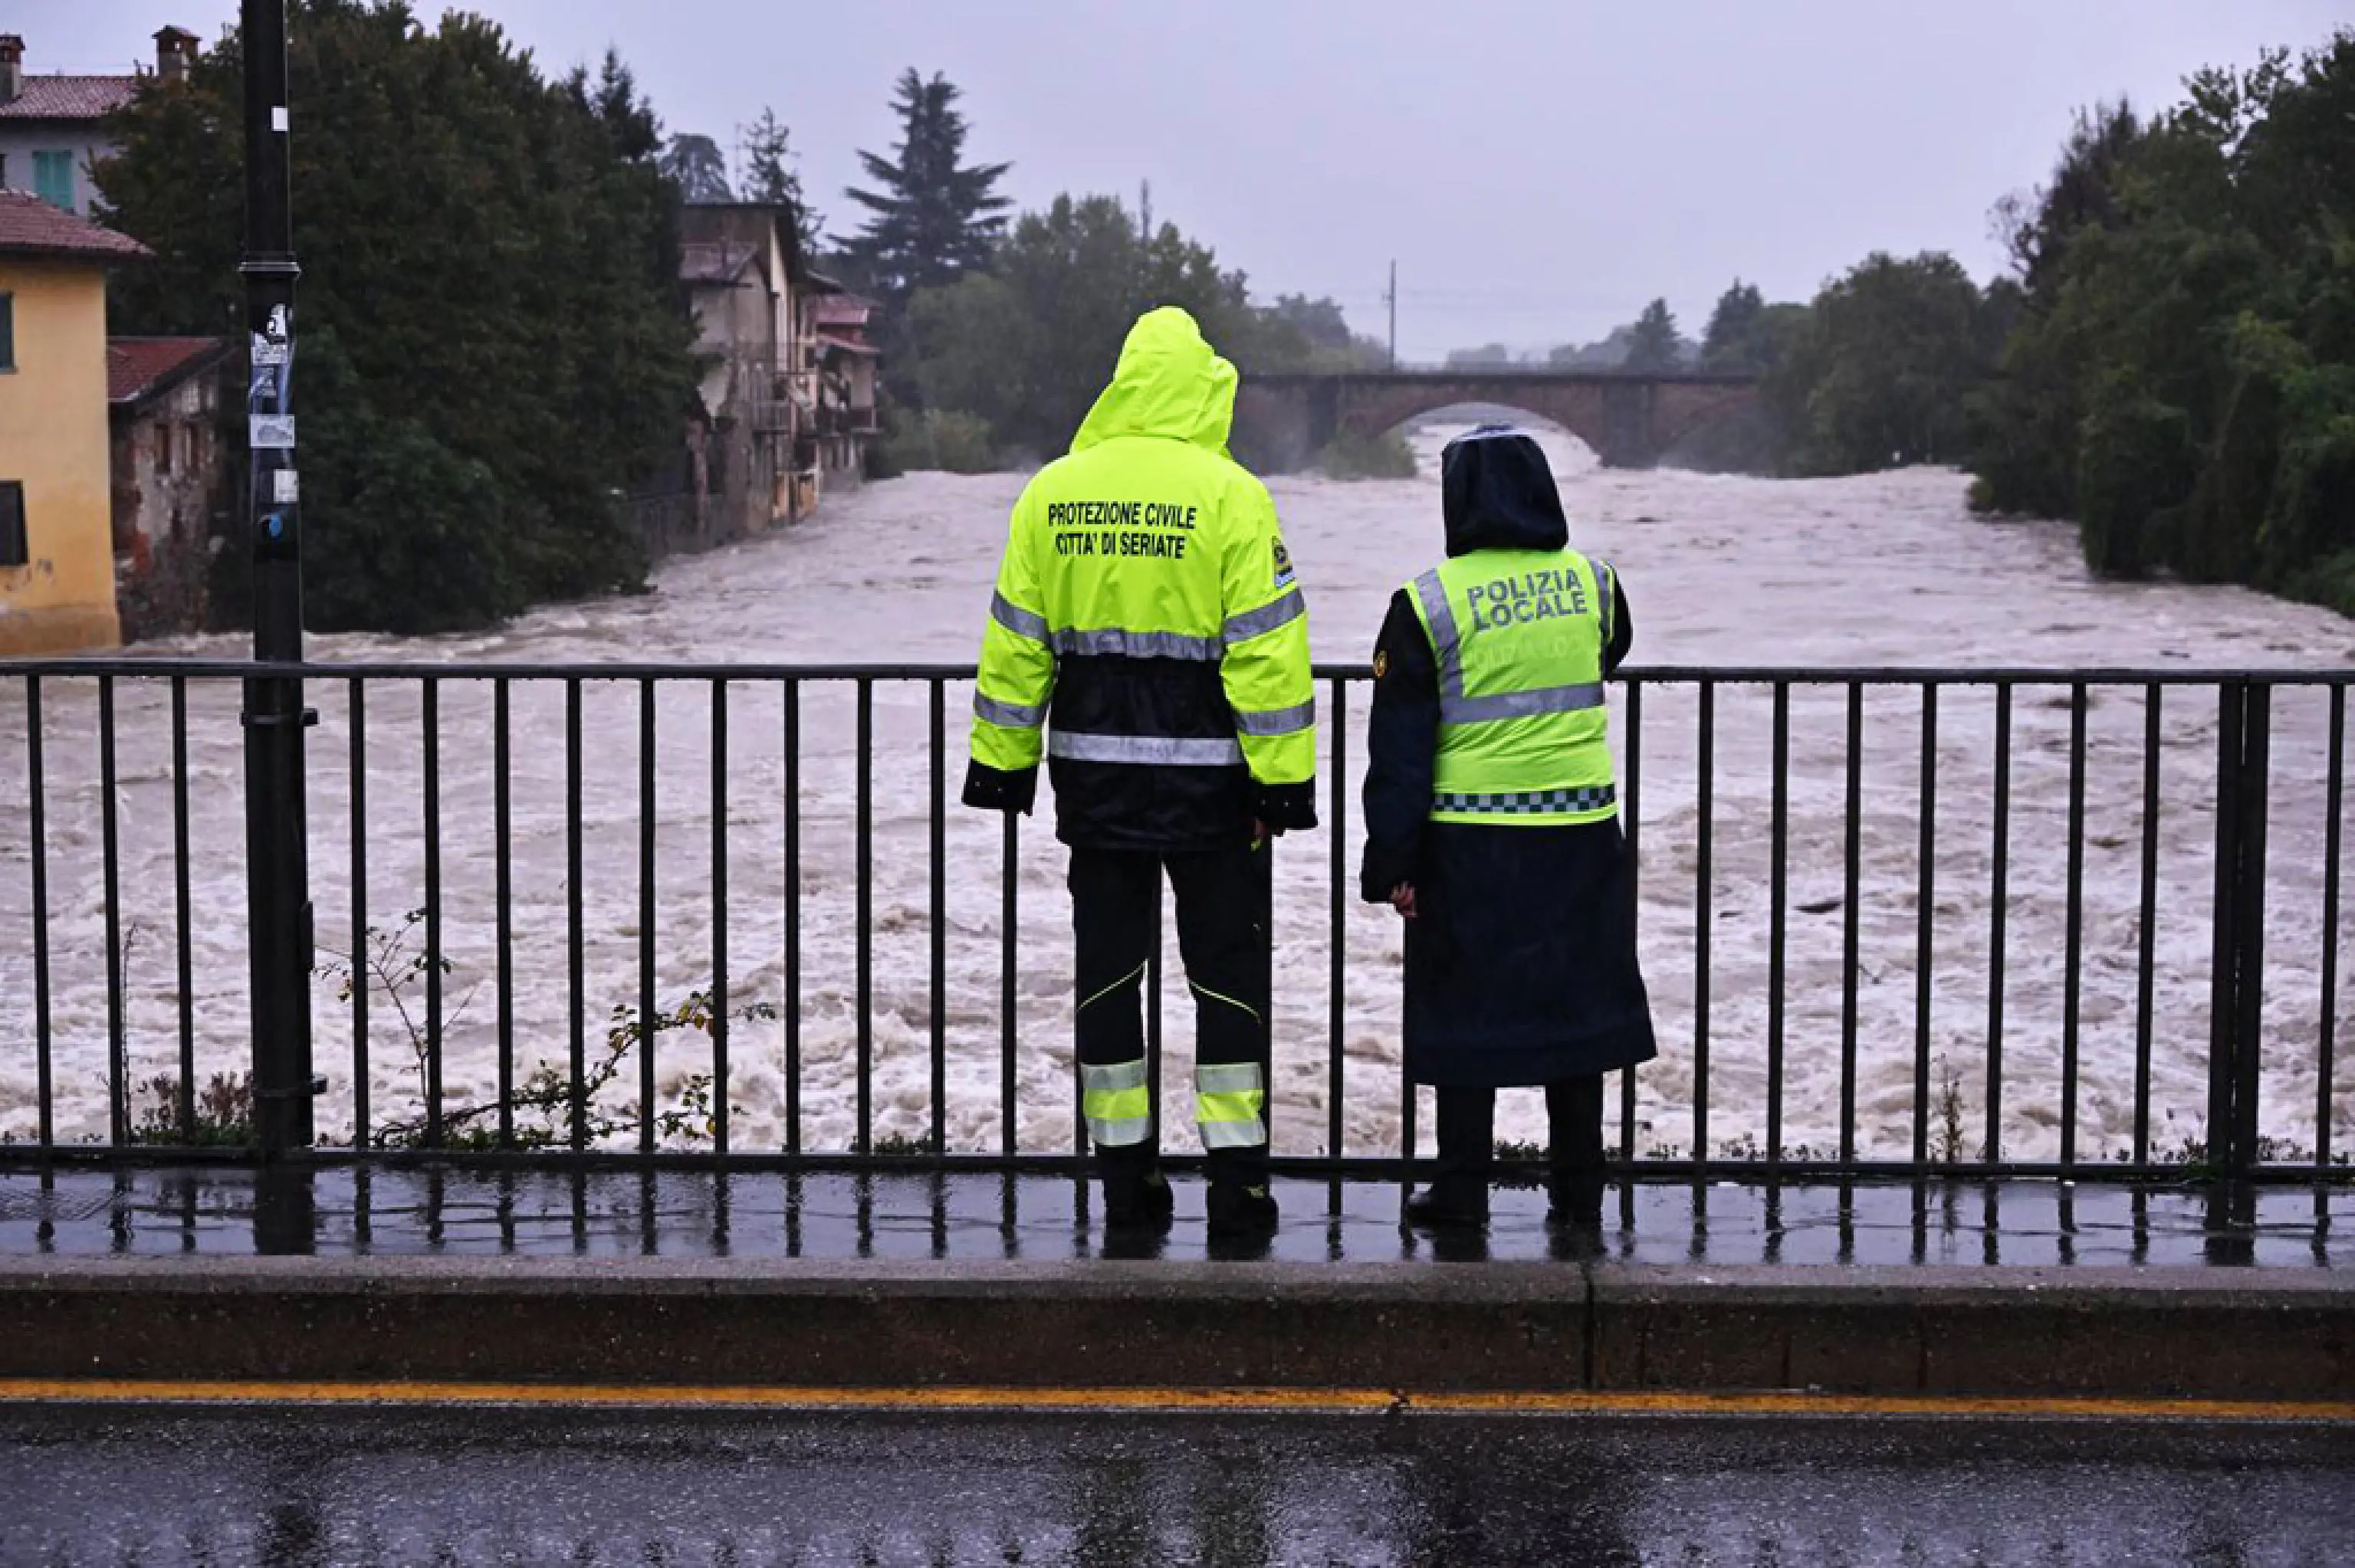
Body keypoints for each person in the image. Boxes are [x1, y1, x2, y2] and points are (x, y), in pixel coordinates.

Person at [964, 307, 1317, 1239]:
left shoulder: (1053, 493)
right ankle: (1237, 1186)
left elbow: (1015, 644)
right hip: (1215, 796)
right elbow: (1268, 657)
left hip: (1097, 788)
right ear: (1204, 388)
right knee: (1227, 986)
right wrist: (1283, 786)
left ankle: (1127, 1183)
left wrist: (1003, 767)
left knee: (1109, 983)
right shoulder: (1233, 495)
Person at [1359, 425, 1656, 1232]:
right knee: (1576, 1017)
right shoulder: (1596, 584)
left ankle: (1460, 1191)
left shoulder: (1427, 604)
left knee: (1464, 1018)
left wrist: (1392, 864)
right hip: (1581, 835)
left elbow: (1401, 753)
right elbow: (1612, 651)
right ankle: (1579, 1192)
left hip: (1468, 843)